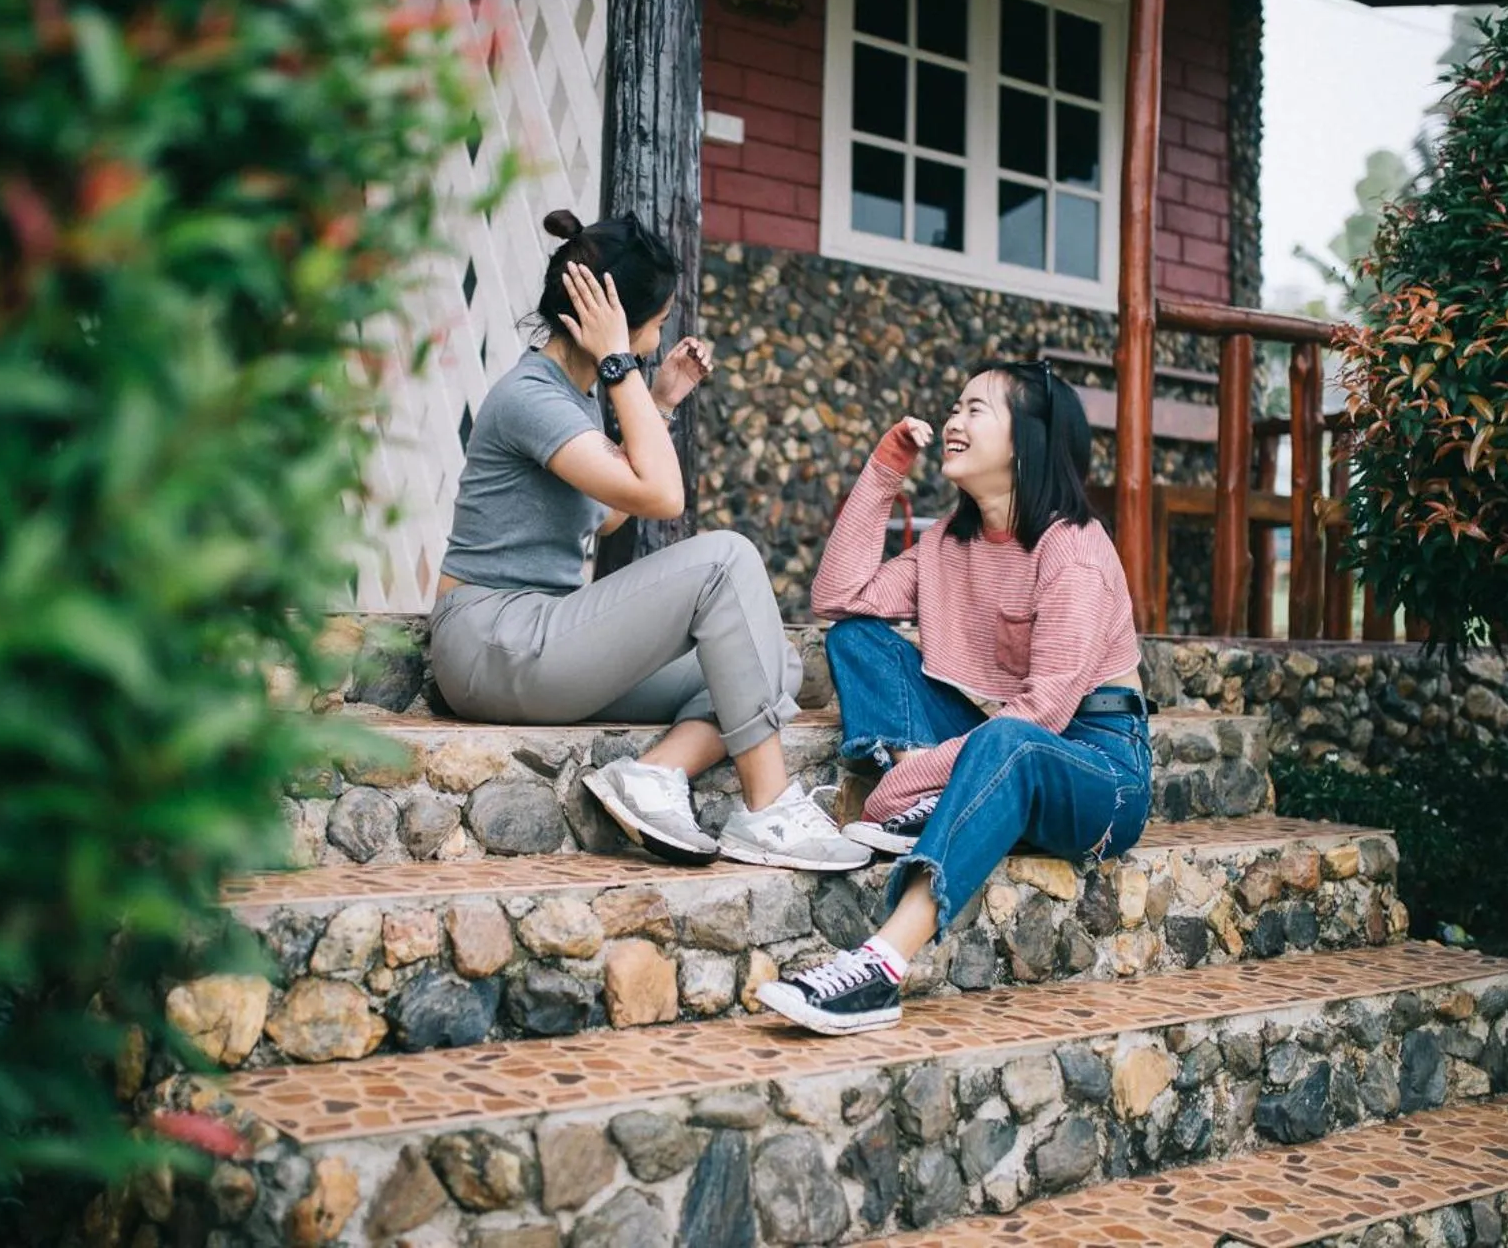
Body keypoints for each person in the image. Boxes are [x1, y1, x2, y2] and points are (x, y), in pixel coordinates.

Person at [428, 209, 869, 872]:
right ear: (614, 320)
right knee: (726, 559)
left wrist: (658, 401)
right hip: (489, 642)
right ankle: (769, 806)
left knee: (767, 663)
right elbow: (664, 496)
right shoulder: (531, 396)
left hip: (543, 642)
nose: (660, 337)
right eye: (657, 322)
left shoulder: (572, 399)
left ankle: (655, 774)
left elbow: (606, 515)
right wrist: (617, 364)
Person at [754, 359, 1153, 1034]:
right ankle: (935, 796)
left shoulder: (1075, 551)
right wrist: (885, 469)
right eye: (956, 406)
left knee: (1008, 740)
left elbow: (1046, 715)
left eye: (976, 409)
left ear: (1026, 440)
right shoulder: (950, 542)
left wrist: (910, 774)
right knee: (858, 638)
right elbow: (836, 597)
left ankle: (878, 967)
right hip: (1007, 744)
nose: (952, 421)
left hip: (1101, 771)